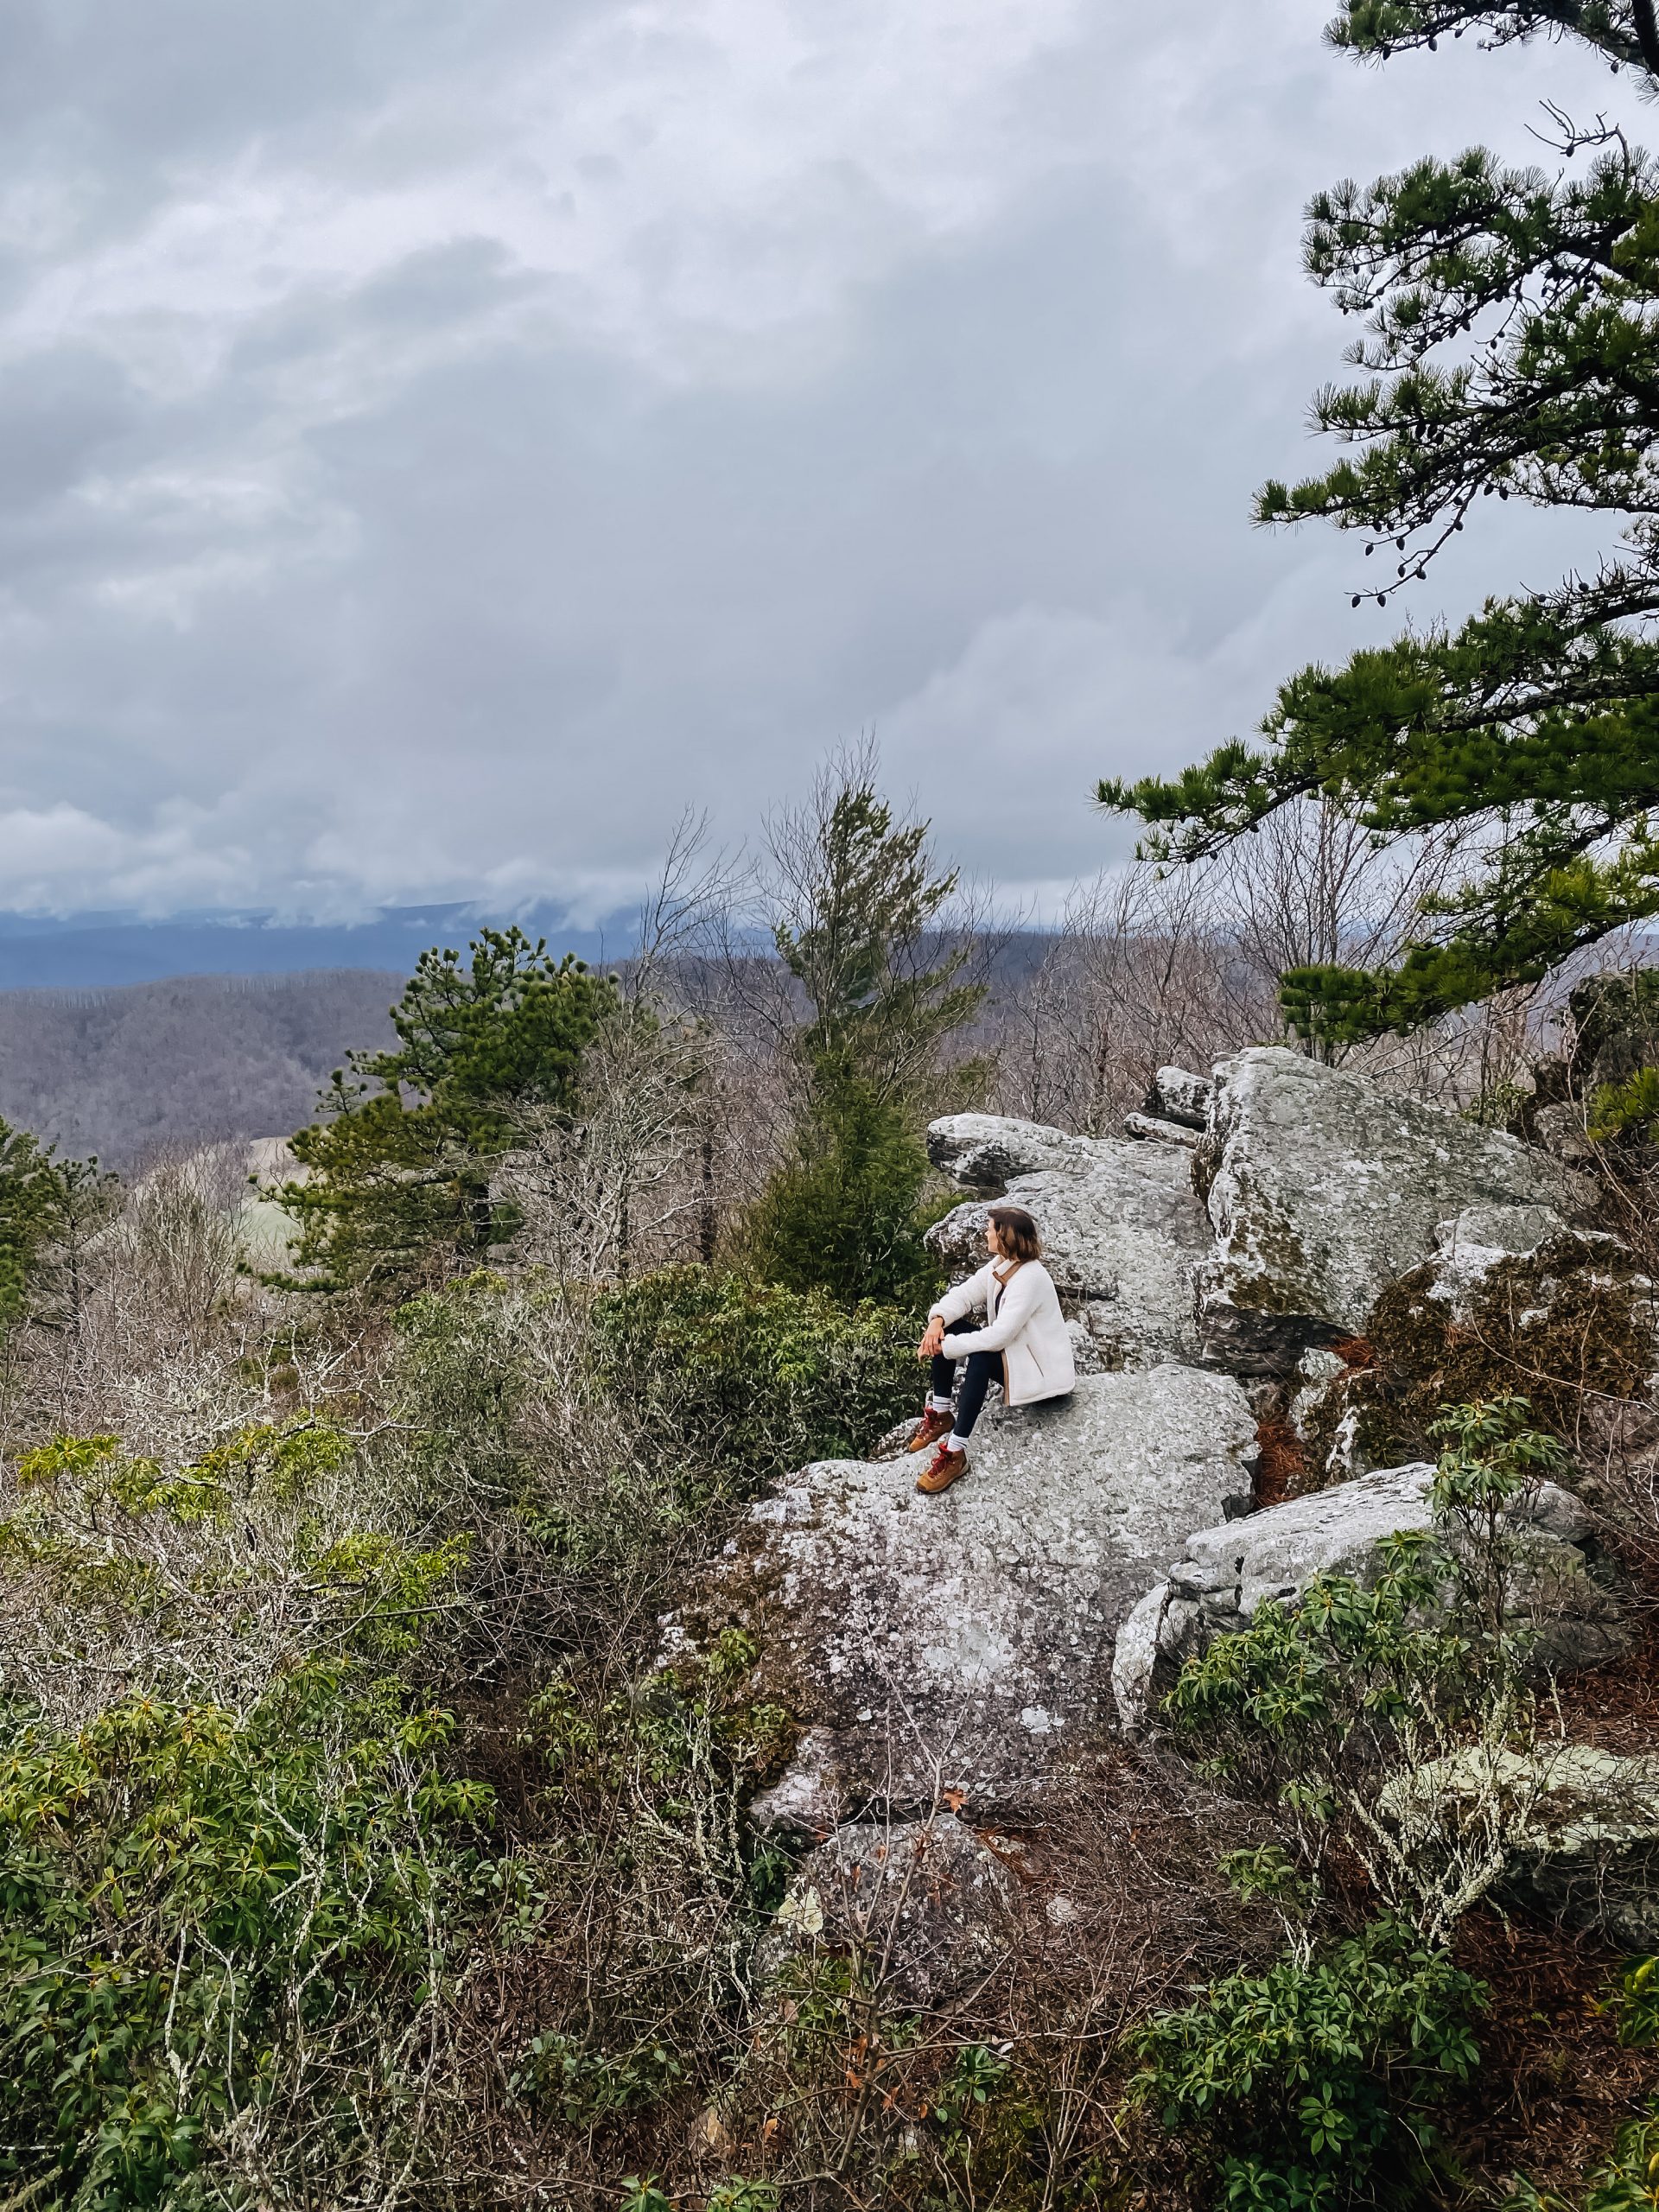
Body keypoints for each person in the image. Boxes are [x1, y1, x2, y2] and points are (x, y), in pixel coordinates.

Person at [908, 1204, 1075, 1495]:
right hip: (1019, 1357)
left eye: (991, 1228)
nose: (986, 1232)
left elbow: (1000, 1336)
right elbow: (965, 1294)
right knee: (949, 1327)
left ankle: (956, 1453)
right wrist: (937, 1322)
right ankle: (942, 1414)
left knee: (983, 1354)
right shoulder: (1002, 1264)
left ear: (1005, 1236)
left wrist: (948, 1347)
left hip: (1044, 1377)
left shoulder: (1030, 1278)